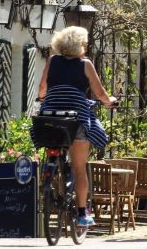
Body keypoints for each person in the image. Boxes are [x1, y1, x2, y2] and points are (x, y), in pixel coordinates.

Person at [37, 26, 117, 227]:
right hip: (75, 120)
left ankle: (50, 177)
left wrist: (42, 98)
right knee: (79, 168)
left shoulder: (53, 61)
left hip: (51, 118)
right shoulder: (85, 64)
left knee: (52, 148)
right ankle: (82, 214)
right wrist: (109, 102)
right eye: (85, 43)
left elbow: (42, 88)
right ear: (80, 44)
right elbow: (99, 93)